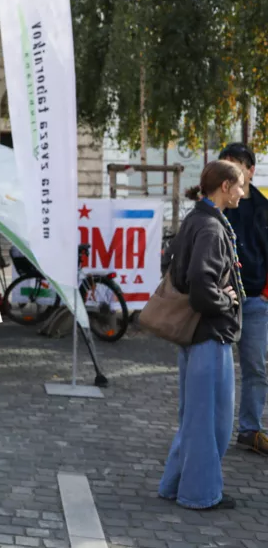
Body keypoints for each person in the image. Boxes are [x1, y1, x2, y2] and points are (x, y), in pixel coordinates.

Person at [158, 160, 246, 510]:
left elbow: (172, 267)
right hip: (210, 336)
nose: (242, 192)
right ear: (224, 187)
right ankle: (200, 494)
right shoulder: (210, 227)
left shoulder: (195, 220)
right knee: (213, 423)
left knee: (195, 418)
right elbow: (200, 290)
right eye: (239, 185)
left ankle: (175, 485)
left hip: (197, 337)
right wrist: (226, 298)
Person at [218, 143, 268, 455]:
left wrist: (264, 295)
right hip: (221, 302)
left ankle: (250, 429)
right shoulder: (218, 205)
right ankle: (214, 427)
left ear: (250, 170)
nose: (232, 169)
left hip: (255, 303)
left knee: (256, 369)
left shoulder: (264, 207)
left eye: (237, 164)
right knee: (216, 369)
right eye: (227, 163)